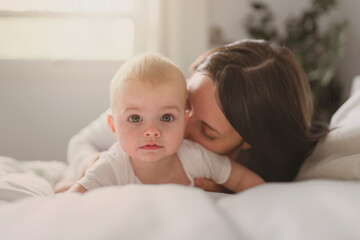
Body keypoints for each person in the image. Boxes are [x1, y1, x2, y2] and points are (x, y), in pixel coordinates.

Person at [55, 39, 328, 193]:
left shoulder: (250, 167)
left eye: (207, 131)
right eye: (186, 104)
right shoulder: (153, 109)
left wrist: (225, 192)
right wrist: (89, 165)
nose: (181, 126)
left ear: (248, 142)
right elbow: (80, 142)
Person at [68, 53, 264, 193]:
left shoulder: (196, 158)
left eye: (167, 117)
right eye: (136, 119)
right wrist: (87, 165)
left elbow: (246, 182)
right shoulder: (113, 163)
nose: (152, 131)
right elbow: (80, 146)